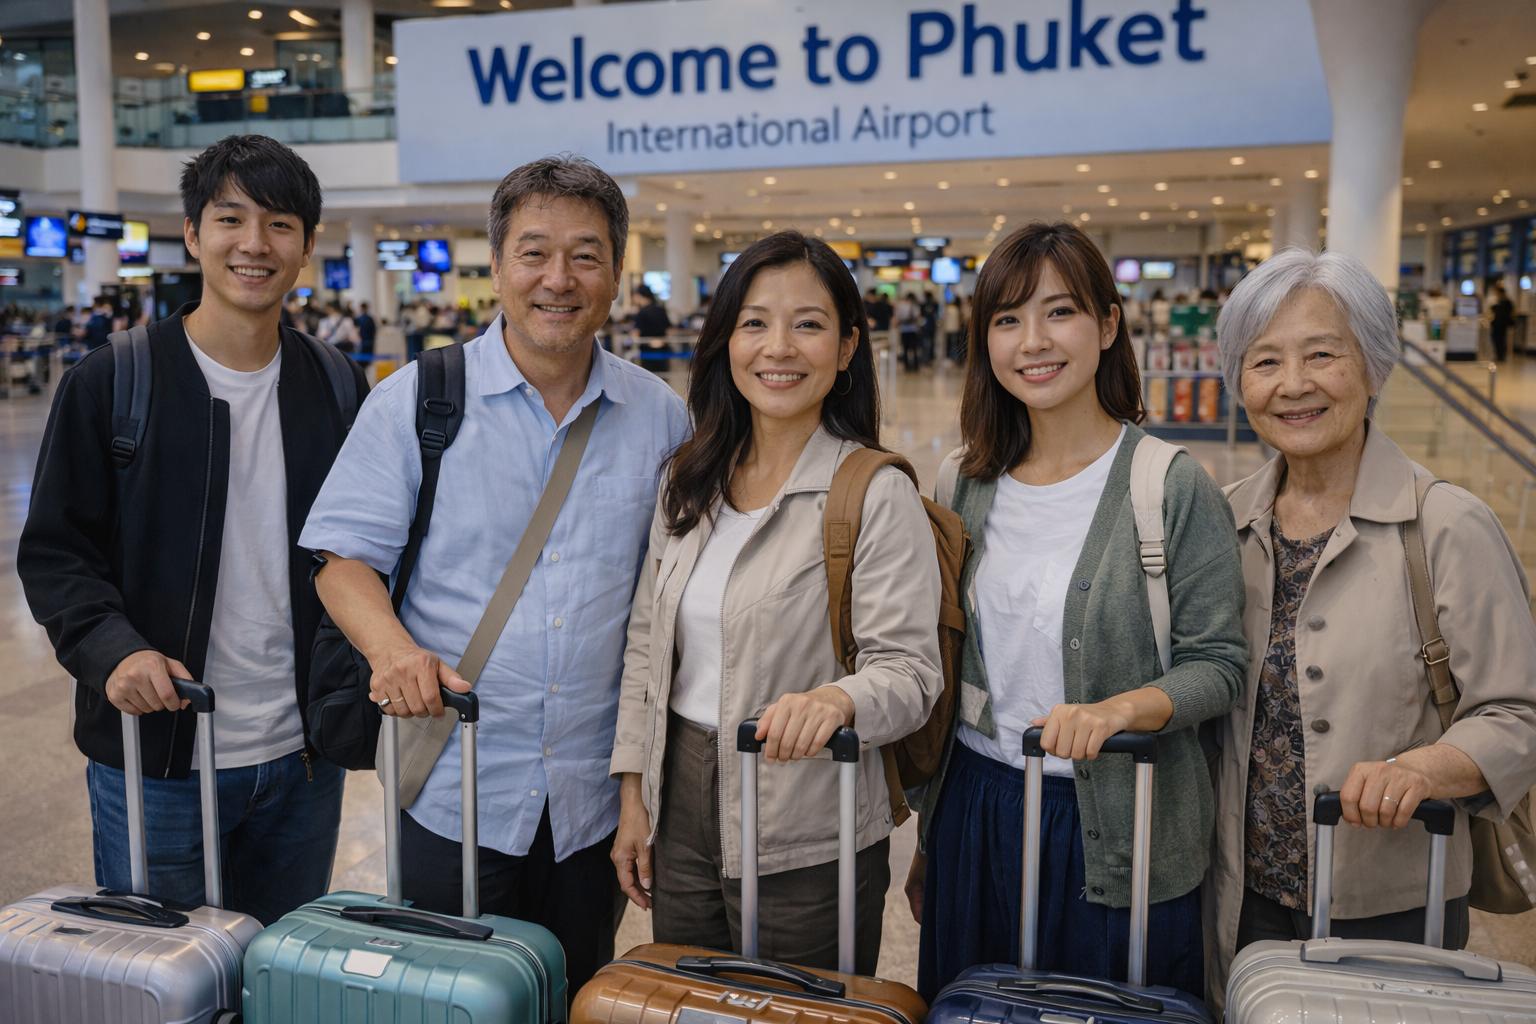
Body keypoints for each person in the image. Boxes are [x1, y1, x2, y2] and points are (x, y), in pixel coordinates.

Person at [301, 156, 689, 990]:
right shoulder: (417, 399)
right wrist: (394, 652)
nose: (559, 279)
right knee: (450, 997)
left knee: (574, 986)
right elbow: (342, 563)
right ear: (499, 266)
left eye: (585, 255)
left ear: (616, 272)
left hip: (591, 795)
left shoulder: (659, 416)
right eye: (534, 252)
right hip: (452, 776)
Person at [18, 134, 365, 925]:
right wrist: (115, 650)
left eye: (280, 224)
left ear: (307, 246)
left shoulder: (337, 383)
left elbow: (366, 546)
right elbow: (55, 553)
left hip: (303, 756)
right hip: (158, 750)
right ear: (192, 233)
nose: (254, 244)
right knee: (165, 982)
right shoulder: (114, 379)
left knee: (282, 978)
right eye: (230, 219)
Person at [909, 222, 1246, 1001]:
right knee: (973, 1008)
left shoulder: (1169, 484)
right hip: (979, 807)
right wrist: (933, 835)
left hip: (1120, 818)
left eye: (1058, 312)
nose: (1033, 341)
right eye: (1007, 319)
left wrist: (1121, 709)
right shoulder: (962, 479)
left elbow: (1219, 665)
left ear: (1107, 324)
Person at [1206, 248, 1536, 1010]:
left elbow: (1518, 714)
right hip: (1238, 891)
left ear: (1375, 367)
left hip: (1393, 897)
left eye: (1323, 355)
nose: (1293, 385)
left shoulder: (1446, 525)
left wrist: (1424, 769)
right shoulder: (1225, 519)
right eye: (1265, 362)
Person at [610, 230, 941, 973]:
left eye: (810, 324)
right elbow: (645, 647)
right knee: (691, 1005)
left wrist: (838, 700)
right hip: (681, 807)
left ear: (849, 346)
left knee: (797, 1007)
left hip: (809, 814)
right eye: (755, 322)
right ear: (726, 339)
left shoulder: (873, 492)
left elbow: (911, 673)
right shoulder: (688, 480)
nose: (779, 348)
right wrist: (635, 795)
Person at [631, 284, 672, 372]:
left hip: (647, 352)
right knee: (663, 378)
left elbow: (636, 334)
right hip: (663, 350)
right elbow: (669, 330)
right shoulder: (661, 310)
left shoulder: (641, 313)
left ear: (639, 295)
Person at [896, 292, 922, 371]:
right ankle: (915, 366)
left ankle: (907, 366)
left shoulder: (901, 306)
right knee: (914, 349)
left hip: (904, 330)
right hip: (913, 330)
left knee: (905, 348)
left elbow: (898, 318)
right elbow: (918, 318)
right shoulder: (915, 306)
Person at [1489, 283, 1515, 362]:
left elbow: (1509, 313)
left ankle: (1501, 355)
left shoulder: (1507, 302)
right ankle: (1498, 354)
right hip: (1497, 324)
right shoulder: (1498, 301)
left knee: (1501, 339)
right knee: (1496, 339)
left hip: (1502, 324)